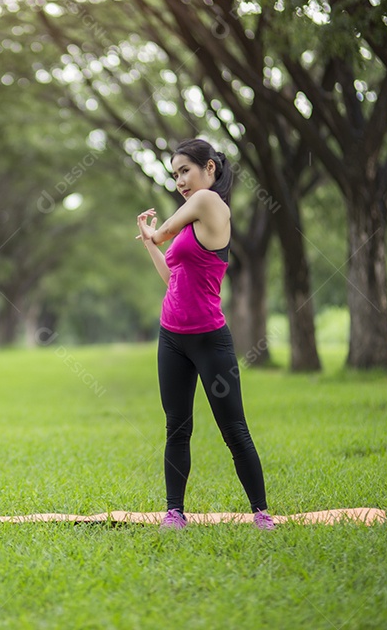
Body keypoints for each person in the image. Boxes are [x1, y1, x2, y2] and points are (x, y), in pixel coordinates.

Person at [135, 138, 272, 531]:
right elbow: (172, 279)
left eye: (185, 171)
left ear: (210, 168)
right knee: (177, 428)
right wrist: (149, 243)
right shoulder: (192, 215)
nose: (179, 181)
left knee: (234, 430)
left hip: (210, 340)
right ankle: (174, 513)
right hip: (172, 337)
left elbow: (163, 234)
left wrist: (152, 232)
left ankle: (261, 513)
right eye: (175, 174)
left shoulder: (209, 203)